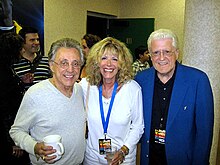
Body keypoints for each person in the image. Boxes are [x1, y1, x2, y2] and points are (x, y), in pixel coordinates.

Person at [135, 29, 214, 165]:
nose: (161, 58)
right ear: (150, 55)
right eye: (156, 53)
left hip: (183, 159)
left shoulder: (197, 80)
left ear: (176, 53)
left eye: (167, 52)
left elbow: (204, 133)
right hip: (150, 158)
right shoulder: (141, 80)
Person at [9, 38, 86, 165]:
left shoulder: (80, 91)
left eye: (76, 63)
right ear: (51, 65)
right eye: (63, 63)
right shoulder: (35, 94)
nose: (70, 69)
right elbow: (16, 131)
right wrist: (34, 147)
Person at [80, 37, 144, 165]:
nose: (109, 64)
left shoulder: (132, 89)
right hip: (92, 156)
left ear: (122, 64)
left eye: (115, 59)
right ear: (96, 62)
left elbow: (138, 126)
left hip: (123, 158)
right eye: (104, 58)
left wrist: (123, 151)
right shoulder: (86, 86)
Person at [0, 32, 30, 164]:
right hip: (8, 138)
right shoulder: (3, 73)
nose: (23, 50)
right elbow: (5, 111)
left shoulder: (8, 68)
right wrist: (14, 141)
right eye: (19, 47)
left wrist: (21, 82)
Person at [12, 26, 51, 91]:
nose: (36, 43)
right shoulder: (14, 64)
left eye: (37, 39)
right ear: (22, 42)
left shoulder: (47, 61)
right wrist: (22, 82)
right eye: (32, 40)